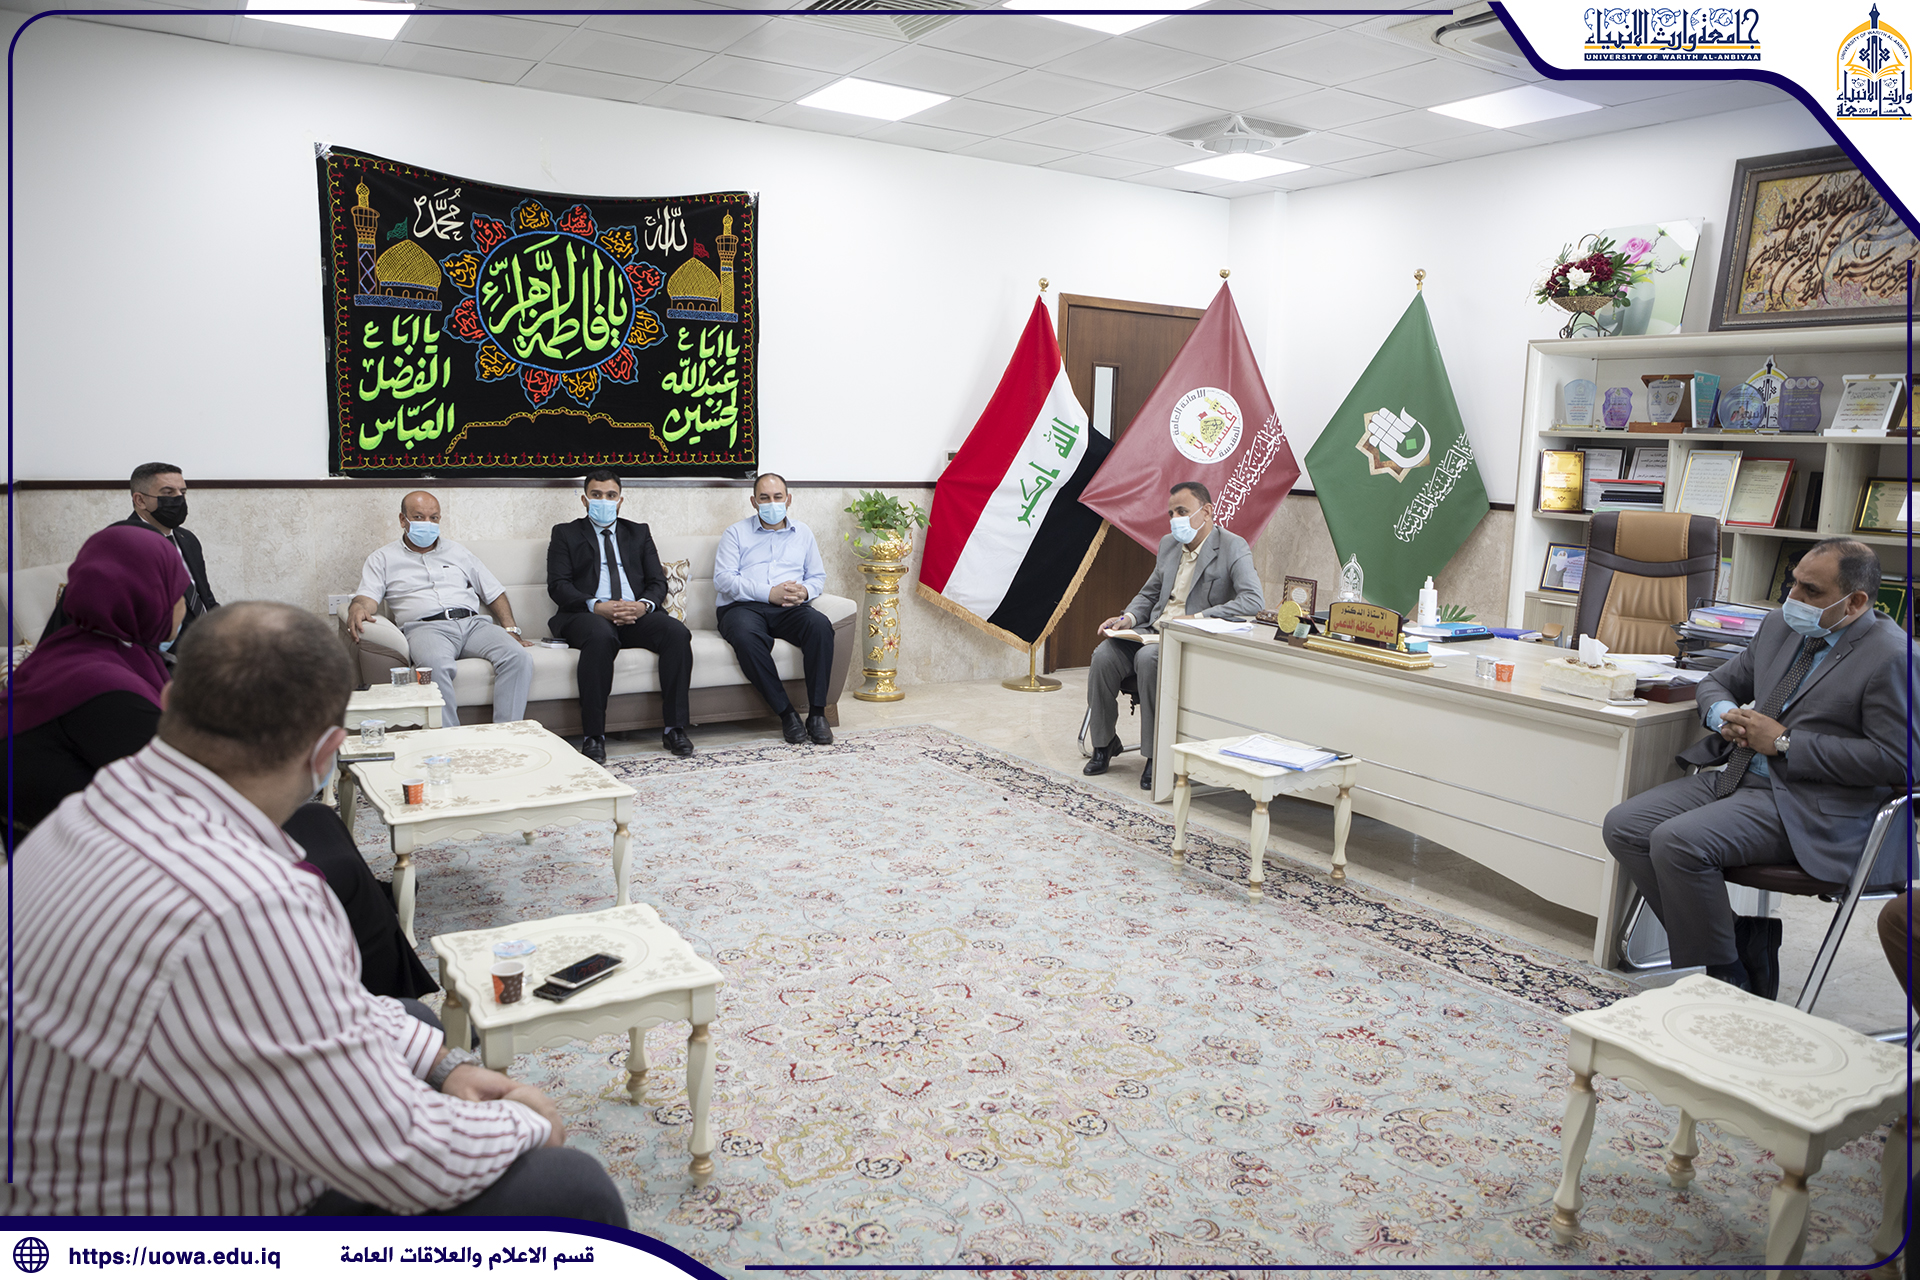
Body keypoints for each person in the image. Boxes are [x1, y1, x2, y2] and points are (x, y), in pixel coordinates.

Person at [4, 602, 625, 1222]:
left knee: (413, 1020)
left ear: (168, 702)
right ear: (328, 751)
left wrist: (443, 1065)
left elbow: (319, 1006)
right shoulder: (246, 904)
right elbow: (404, 1156)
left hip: (88, 1153)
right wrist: (525, 1120)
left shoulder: (90, 807)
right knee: (572, 1187)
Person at [1603, 538, 1918, 997]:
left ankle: (1724, 976)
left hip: (1813, 805)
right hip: (1739, 776)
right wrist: (1722, 715)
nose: (1793, 599)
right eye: (1794, 584)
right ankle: (1736, 944)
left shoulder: (1893, 656)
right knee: (1625, 826)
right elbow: (1717, 682)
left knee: (1678, 841)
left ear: (1855, 602)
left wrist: (1787, 742)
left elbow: (1901, 762)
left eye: (1811, 591)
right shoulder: (1779, 625)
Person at [1085, 481, 1264, 791]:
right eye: (1171, 514)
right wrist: (1127, 618)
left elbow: (1253, 601)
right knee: (1103, 655)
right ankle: (1104, 743)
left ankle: (1156, 754)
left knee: (1149, 658)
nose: (1175, 520)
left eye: (1182, 511)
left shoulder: (1233, 547)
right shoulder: (1169, 544)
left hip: (1189, 640)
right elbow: (1149, 593)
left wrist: (1198, 617)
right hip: (1153, 632)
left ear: (1207, 512)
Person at [7, 525, 189, 830]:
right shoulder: (110, 692)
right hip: (77, 848)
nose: (183, 605)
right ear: (152, 599)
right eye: (178, 592)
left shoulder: (69, 645)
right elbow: (182, 792)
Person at [347, 492, 535, 728]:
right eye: (419, 517)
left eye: (434, 518)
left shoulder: (458, 552)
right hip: (426, 628)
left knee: (518, 657)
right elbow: (367, 597)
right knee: (434, 665)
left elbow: (493, 591)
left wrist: (510, 629)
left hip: (473, 624)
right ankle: (449, 739)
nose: (427, 523)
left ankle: (506, 732)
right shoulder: (382, 558)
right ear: (403, 520)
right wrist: (357, 607)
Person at [547, 469, 695, 763]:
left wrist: (643, 606)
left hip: (634, 612)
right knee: (601, 636)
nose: (604, 500)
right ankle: (593, 735)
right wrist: (596, 605)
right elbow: (558, 586)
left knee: (677, 633)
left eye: (610, 495)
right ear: (584, 499)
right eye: (596, 495)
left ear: (620, 500)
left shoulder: (638, 532)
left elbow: (657, 582)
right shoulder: (565, 533)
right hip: (587, 614)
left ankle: (674, 728)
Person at [714, 472, 835, 746]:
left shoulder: (803, 533)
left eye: (777, 497)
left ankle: (817, 715)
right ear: (753, 502)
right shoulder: (735, 533)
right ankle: (787, 714)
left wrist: (805, 592)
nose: (772, 503)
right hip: (742, 607)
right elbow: (723, 580)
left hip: (789, 607)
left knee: (820, 626)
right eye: (764, 498)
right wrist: (768, 593)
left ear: (788, 499)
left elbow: (817, 577)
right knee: (745, 637)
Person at [39, 462, 219, 644]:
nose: (179, 499)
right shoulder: (121, 544)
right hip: (165, 647)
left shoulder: (188, 539)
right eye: (168, 493)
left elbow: (205, 598)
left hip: (207, 640)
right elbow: (129, 618)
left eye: (183, 492)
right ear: (140, 500)